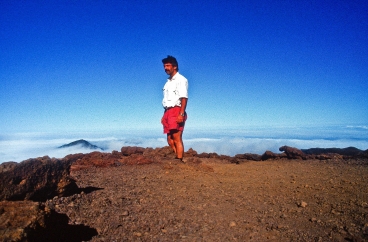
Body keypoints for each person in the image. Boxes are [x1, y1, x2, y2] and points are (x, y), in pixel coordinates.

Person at [161, 55, 188, 161]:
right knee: (169, 139)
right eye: (164, 66)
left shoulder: (181, 80)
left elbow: (184, 98)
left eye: (168, 65)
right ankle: (177, 156)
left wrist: (181, 114)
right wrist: (164, 115)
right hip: (167, 111)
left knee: (177, 137)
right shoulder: (168, 82)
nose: (165, 68)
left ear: (175, 67)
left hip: (176, 110)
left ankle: (179, 159)